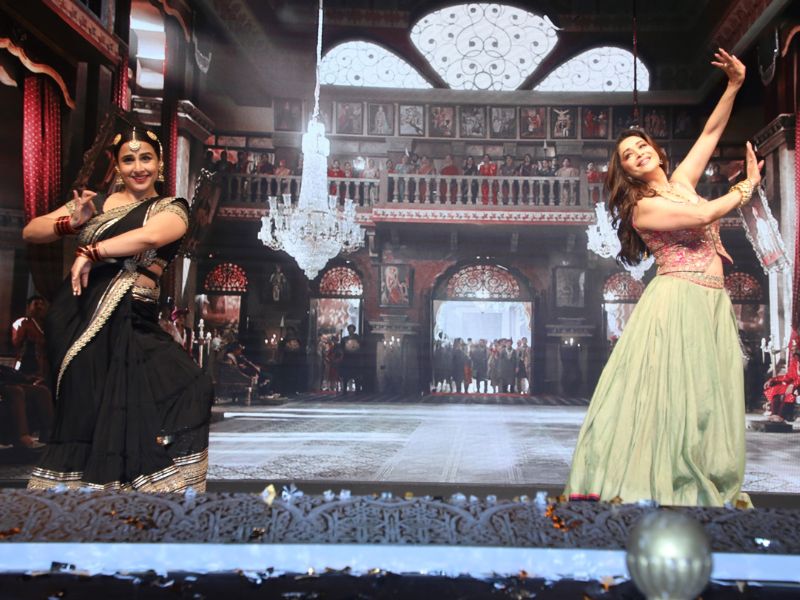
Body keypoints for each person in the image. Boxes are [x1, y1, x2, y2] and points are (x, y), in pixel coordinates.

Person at [565, 49, 759, 507]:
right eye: (628, 156)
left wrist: (734, 85)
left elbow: (710, 133)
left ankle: (701, 468)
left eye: (641, 147)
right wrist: (747, 185)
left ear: (656, 150)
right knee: (675, 392)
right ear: (625, 172)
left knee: (707, 394)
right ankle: (659, 477)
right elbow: (708, 214)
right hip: (678, 300)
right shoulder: (643, 208)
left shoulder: (681, 184)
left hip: (712, 299)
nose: (638, 154)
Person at [22, 123, 214, 492]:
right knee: (91, 405)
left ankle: (140, 485)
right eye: (128, 160)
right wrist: (70, 223)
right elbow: (31, 230)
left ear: (159, 163)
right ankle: (85, 496)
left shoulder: (171, 208)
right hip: (80, 316)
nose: (138, 167)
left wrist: (91, 251)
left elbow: (150, 236)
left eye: (146, 158)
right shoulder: (96, 205)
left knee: (192, 385)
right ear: (117, 165)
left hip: (135, 317)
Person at [11, 295, 48, 380]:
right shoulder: (22, 323)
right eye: (36, 304)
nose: (39, 307)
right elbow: (16, 343)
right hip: (26, 364)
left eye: (42, 304)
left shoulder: (47, 325)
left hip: (44, 367)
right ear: (29, 307)